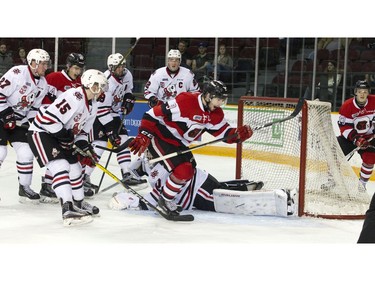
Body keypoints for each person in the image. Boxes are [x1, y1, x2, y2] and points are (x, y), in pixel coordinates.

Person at [128, 80, 253, 218]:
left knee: (189, 171)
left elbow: (225, 134)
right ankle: (164, 200)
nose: (220, 103)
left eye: (223, 100)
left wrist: (238, 135)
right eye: (219, 99)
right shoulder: (186, 101)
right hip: (160, 137)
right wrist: (144, 135)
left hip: (179, 144)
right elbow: (152, 114)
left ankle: (145, 169)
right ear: (208, 96)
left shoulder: (216, 114)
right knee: (184, 170)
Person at [27, 69, 108, 226]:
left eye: (102, 86)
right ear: (88, 83)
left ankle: (78, 204)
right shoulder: (74, 96)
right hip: (41, 132)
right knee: (61, 166)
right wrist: (65, 136)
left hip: (59, 136)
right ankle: (67, 208)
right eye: (98, 85)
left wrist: (83, 144)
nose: (100, 89)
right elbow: (49, 120)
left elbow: (83, 132)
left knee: (76, 168)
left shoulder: (94, 105)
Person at [109, 155, 296, 217]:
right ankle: (242, 185)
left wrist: (134, 201)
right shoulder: (145, 160)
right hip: (198, 186)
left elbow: (160, 196)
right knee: (221, 192)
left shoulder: (166, 162)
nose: (148, 154)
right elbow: (133, 174)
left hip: (196, 189)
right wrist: (129, 178)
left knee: (227, 203)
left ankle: (277, 198)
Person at [82, 53, 146, 192]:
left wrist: (128, 99)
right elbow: (102, 110)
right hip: (97, 114)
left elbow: (128, 90)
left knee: (123, 139)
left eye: (123, 65)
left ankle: (127, 173)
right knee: (99, 144)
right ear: (111, 68)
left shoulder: (127, 74)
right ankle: (84, 177)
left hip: (113, 113)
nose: (121, 69)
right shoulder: (106, 82)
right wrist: (110, 132)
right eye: (118, 67)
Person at [0, 49, 50, 203]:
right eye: (42, 63)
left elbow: (34, 108)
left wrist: (33, 124)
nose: (45, 67)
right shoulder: (17, 73)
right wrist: (7, 114)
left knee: (26, 153)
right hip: (1, 117)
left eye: (46, 64)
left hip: (19, 122)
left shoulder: (43, 84)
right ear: (33, 63)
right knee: (0, 153)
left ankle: (24, 187)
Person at [39, 52, 88, 203]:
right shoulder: (54, 78)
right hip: (53, 123)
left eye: (80, 68)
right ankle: (47, 185)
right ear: (67, 66)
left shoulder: (81, 82)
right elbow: (43, 100)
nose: (77, 72)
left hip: (69, 125)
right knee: (57, 155)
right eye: (75, 68)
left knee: (69, 156)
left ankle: (72, 184)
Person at [337, 80, 375, 188]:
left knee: (370, 159)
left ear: (368, 93)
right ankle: (332, 179)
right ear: (355, 92)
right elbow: (344, 127)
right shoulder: (347, 106)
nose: (362, 94)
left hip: (369, 137)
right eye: (360, 91)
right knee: (336, 153)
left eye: (365, 91)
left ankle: (361, 185)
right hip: (351, 138)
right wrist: (357, 139)